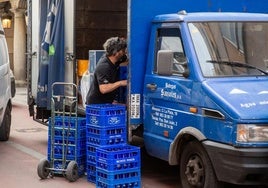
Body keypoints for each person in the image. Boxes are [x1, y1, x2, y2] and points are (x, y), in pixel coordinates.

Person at [86, 37, 128, 104]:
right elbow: (104, 89)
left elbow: (129, 61)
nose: (124, 53)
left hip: (108, 101)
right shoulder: (104, 66)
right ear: (116, 52)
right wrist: (121, 83)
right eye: (123, 51)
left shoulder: (115, 59)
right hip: (97, 104)